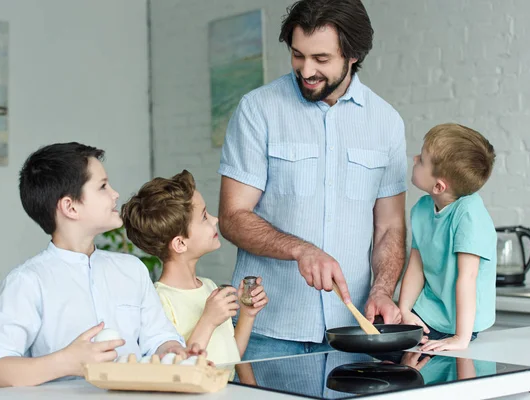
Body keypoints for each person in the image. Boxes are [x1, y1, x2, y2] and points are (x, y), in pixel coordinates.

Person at [218, 0, 407, 359]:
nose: (306, 70)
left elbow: (389, 228)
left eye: (321, 59)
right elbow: (232, 216)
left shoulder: (386, 123)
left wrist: (382, 289)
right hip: (266, 331)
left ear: (352, 55)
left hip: (353, 333)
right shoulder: (258, 110)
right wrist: (300, 249)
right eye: (297, 55)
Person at [0, 143, 202, 388]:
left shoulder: (132, 269)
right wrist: (69, 361)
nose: (115, 194)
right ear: (70, 207)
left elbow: (159, 337)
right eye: (103, 186)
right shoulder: (28, 281)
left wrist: (172, 350)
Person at [121, 170, 268, 379]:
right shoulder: (158, 300)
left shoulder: (208, 286)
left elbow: (230, 355)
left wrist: (247, 314)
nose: (215, 219)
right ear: (180, 243)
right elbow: (178, 370)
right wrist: (208, 320)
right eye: (204, 216)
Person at [399, 123, 497, 351]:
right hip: (430, 309)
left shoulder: (469, 214)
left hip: (459, 320)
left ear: (439, 186)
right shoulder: (422, 209)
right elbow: (416, 266)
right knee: (377, 332)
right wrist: (404, 310)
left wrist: (460, 338)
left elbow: (467, 278)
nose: (414, 159)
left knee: (403, 351)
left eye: (421, 160)